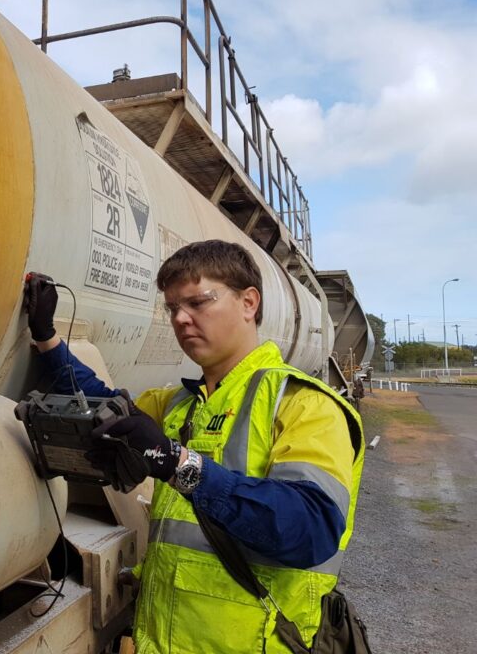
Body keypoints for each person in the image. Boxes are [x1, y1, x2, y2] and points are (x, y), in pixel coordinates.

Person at [25, 240, 364, 654]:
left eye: (199, 302)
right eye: (172, 308)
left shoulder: (303, 404)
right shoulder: (179, 405)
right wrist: (46, 338)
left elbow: (309, 529)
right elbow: (100, 403)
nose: (181, 319)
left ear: (248, 303)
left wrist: (177, 463)